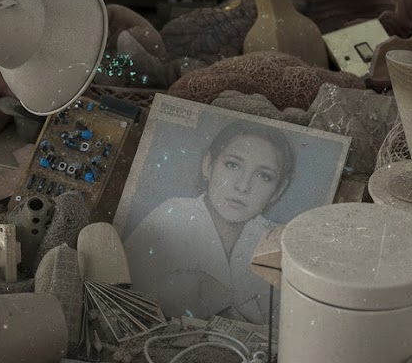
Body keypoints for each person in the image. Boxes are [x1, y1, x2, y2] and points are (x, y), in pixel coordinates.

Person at [124, 120, 295, 324]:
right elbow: (124, 296)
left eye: (264, 176)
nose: (243, 186)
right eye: (232, 165)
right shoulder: (172, 216)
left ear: (278, 190)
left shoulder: (276, 242)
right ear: (208, 165)